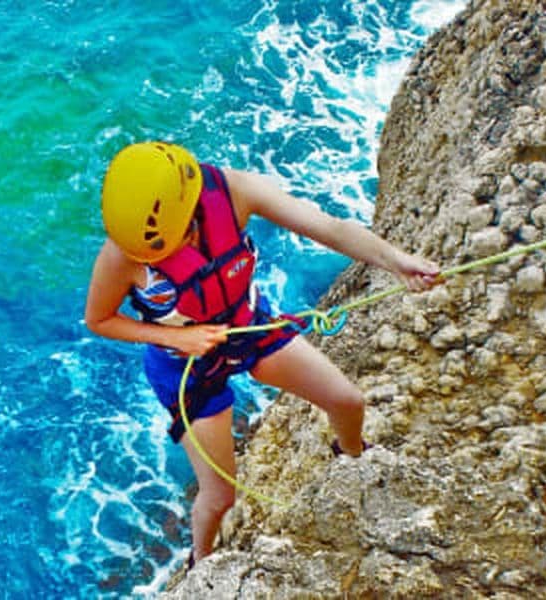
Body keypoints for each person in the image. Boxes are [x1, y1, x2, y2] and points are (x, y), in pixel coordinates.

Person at [84, 141, 441, 568]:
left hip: (249, 327)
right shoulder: (121, 255)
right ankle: (201, 566)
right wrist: (181, 339)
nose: (144, 259)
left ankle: (352, 463)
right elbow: (99, 320)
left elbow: (328, 227)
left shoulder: (234, 192)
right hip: (185, 368)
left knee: (348, 401)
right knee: (219, 498)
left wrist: (397, 263)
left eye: (156, 250)